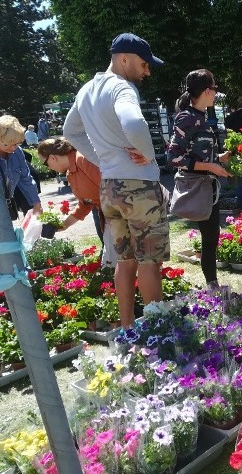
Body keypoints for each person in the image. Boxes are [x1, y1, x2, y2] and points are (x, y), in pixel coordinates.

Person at [63, 32, 169, 328]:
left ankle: (127, 330)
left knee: (125, 263)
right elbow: (134, 122)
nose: (147, 72)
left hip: (109, 188)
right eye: (145, 65)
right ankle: (158, 336)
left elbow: (69, 131)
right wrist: (147, 154)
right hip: (139, 188)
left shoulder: (86, 90)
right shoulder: (121, 88)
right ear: (125, 59)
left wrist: (102, 158)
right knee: (149, 262)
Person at [167, 69, 232, 287]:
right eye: (214, 88)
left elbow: (200, 153)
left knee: (212, 236)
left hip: (207, 187)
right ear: (206, 90)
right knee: (210, 237)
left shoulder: (201, 117)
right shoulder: (187, 118)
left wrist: (223, 157)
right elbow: (173, 158)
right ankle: (212, 285)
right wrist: (210, 166)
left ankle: (212, 284)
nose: (215, 93)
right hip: (198, 187)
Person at [36, 137, 117, 265]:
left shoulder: (83, 160)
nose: (49, 168)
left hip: (121, 216)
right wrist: (63, 225)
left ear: (52, 158)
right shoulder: (71, 172)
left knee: (120, 263)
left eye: (45, 164)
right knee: (113, 263)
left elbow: (113, 189)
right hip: (111, 219)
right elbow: (85, 204)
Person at [0, 115, 42, 218]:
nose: (13, 148)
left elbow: (26, 179)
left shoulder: (18, 152)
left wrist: (36, 203)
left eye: (16, 144)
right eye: (7, 144)